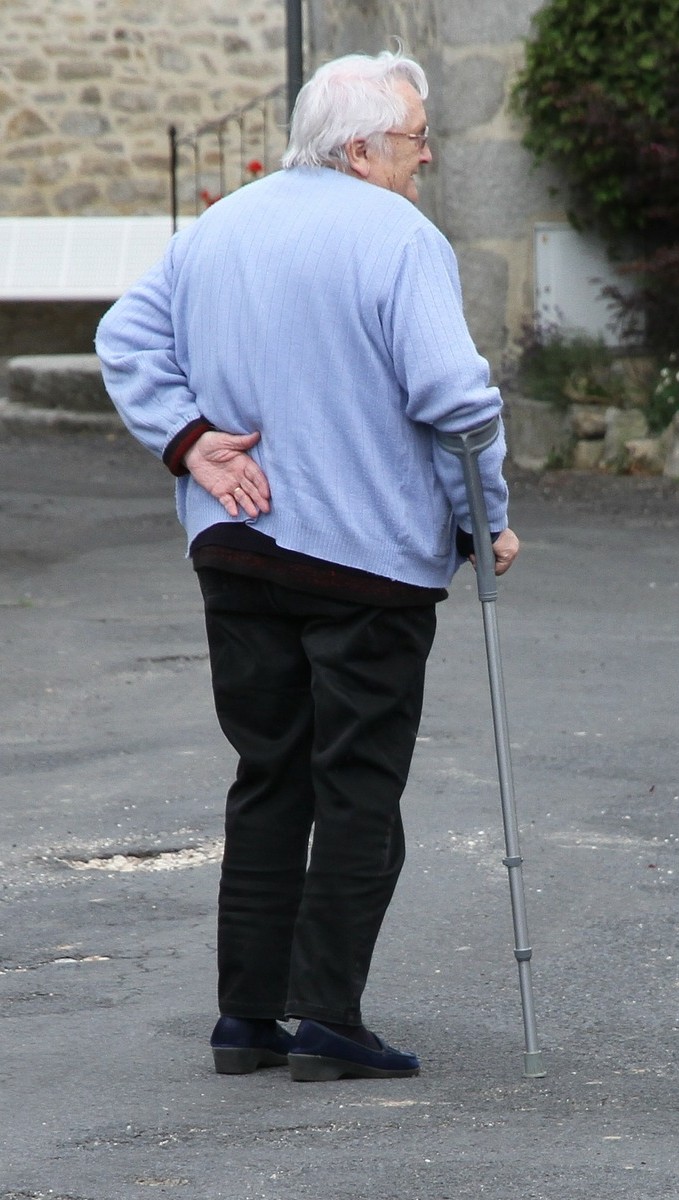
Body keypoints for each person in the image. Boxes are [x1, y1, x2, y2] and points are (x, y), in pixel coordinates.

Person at [96, 48, 519, 1082]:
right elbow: (457, 402)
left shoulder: (224, 224)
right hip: (365, 560)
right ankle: (328, 1015)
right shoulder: (400, 237)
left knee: (269, 775)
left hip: (236, 546)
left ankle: (247, 1017)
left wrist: (190, 440)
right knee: (359, 789)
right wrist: (483, 523)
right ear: (365, 148)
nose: (425, 159)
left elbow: (123, 336)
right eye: (417, 140)